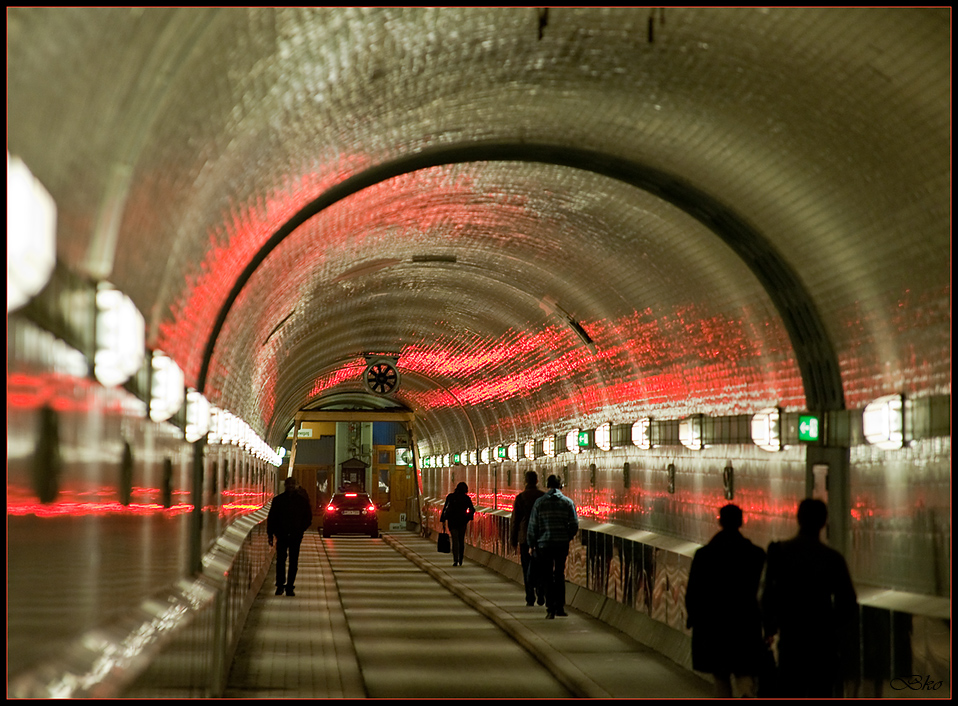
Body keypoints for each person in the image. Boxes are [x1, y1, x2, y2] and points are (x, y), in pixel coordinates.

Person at [761, 498, 858, 697]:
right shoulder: (832, 558)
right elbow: (848, 603)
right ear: (823, 522)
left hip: (791, 638)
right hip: (823, 643)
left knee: (790, 689)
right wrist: (829, 624)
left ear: (798, 519)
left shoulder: (779, 552)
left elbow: (767, 596)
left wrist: (770, 627)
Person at [685, 504, 767, 697]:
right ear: (741, 521)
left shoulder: (705, 555)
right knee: (745, 671)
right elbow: (765, 593)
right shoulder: (756, 554)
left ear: (720, 521)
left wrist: (694, 618)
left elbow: (694, 591)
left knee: (720, 676)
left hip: (713, 625)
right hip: (745, 624)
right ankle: (746, 694)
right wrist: (768, 624)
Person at [526, 474, 578, 619]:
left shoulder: (540, 503)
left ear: (547, 485)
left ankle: (550, 609)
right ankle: (560, 606)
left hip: (544, 544)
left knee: (547, 575)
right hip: (561, 544)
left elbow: (533, 526)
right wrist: (567, 537)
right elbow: (574, 524)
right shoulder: (568, 503)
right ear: (560, 485)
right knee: (559, 575)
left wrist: (532, 544)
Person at [267, 476, 313, 596]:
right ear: (286, 486)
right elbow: (272, 519)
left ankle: (288, 586)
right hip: (284, 534)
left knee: (290, 561)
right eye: (289, 485)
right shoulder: (280, 500)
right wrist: (270, 534)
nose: (291, 487)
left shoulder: (299, 501)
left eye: (293, 485)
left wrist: (300, 530)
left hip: (293, 535)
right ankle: (282, 585)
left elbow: (308, 518)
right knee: (282, 561)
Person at [510, 470, 546, 606]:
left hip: (524, 538)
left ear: (525, 481)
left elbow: (515, 521)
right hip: (541, 537)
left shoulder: (520, 498)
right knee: (542, 566)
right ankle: (541, 593)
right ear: (537, 481)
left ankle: (530, 596)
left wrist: (513, 539)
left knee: (527, 566)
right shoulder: (543, 497)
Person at [440, 482, 475, 566]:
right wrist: (468, 518)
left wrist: (443, 519)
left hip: (452, 522)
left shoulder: (450, 497)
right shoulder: (466, 498)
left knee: (455, 540)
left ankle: (455, 559)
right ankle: (461, 559)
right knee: (461, 540)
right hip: (462, 522)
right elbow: (472, 509)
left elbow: (445, 508)